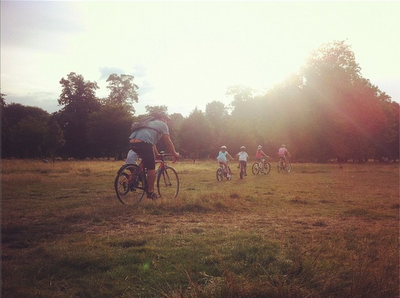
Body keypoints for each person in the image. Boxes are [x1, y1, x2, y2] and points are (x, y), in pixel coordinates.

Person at [129, 111, 180, 199]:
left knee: (146, 160)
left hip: (133, 142)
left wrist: (156, 154)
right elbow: (168, 142)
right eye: (166, 120)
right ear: (163, 118)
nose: (167, 122)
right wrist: (174, 154)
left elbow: (152, 143)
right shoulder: (163, 125)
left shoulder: (149, 123)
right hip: (143, 143)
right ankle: (150, 192)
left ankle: (135, 178)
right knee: (151, 167)